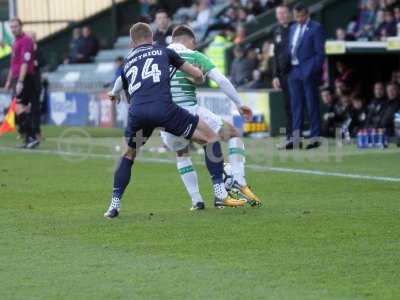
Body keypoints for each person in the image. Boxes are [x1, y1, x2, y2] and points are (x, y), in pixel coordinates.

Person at [104, 23, 247, 219]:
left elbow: (120, 84)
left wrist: (113, 93)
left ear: (131, 43)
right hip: (164, 110)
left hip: (138, 114)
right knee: (211, 138)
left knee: (129, 155)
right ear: (152, 38)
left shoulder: (128, 61)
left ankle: (114, 205)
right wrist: (198, 76)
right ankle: (220, 193)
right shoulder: (163, 51)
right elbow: (196, 75)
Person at [162, 25, 261, 209]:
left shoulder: (158, 56)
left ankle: (197, 200)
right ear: (189, 40)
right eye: (194, 43)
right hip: (189, 111)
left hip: (164, 118)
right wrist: (240, 104)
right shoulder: (194, 56)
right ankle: (237, 179)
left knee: (182, 154)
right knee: (232, 134)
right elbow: (221, 80)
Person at [287, 3, 326, 149]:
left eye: (301, 15)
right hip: (294, 70)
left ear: (307, 14)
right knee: (296, 106)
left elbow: (320, 54)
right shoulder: (292, 28)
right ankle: (296, 139)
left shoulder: (316, 28)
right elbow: (290, 48)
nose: (299, 18)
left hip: (308, 71)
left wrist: (310, 70)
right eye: (296, 16)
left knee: (312, 104)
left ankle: (315, 137)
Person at [3, 18, 39, 149]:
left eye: (15, 26)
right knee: (19, 108)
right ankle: (30, 136)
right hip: (17, 78)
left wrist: (20, 81)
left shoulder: (26, 41)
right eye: (11, 27)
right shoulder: (16, 42)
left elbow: (25, 63)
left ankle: (31, 136)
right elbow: (14, 65)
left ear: (21, 26)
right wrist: (8, 81)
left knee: (19, 108)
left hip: (25, 78)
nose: (13, 29)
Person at [271, 5, 293, 148]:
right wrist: (275, 75)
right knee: (287, 106)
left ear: (289, 13)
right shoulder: (276, 31)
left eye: (284, 12)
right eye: (279, 13)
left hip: (294, 73)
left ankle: (296, 136)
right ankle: (290, 137)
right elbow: (275, 56)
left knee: (295, 106)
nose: (282, 15)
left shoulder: (295, 28)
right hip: (283, 75)